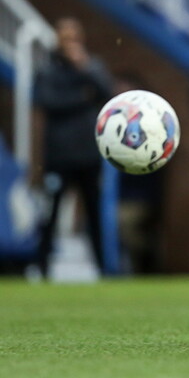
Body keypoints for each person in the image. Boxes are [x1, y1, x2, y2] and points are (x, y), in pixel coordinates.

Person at [33, 17, 113, 278]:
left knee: (94, 212)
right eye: (65, 38)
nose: (70, 43)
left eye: (74, 37)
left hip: (89, 154)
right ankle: (42, 267)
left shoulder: (92, 66)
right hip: (59, 155)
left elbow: (107, 94)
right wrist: (82, 97)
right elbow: (49, 102)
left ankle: (102, 268)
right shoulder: (47, 70)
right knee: (50, 213)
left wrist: (85, 69)